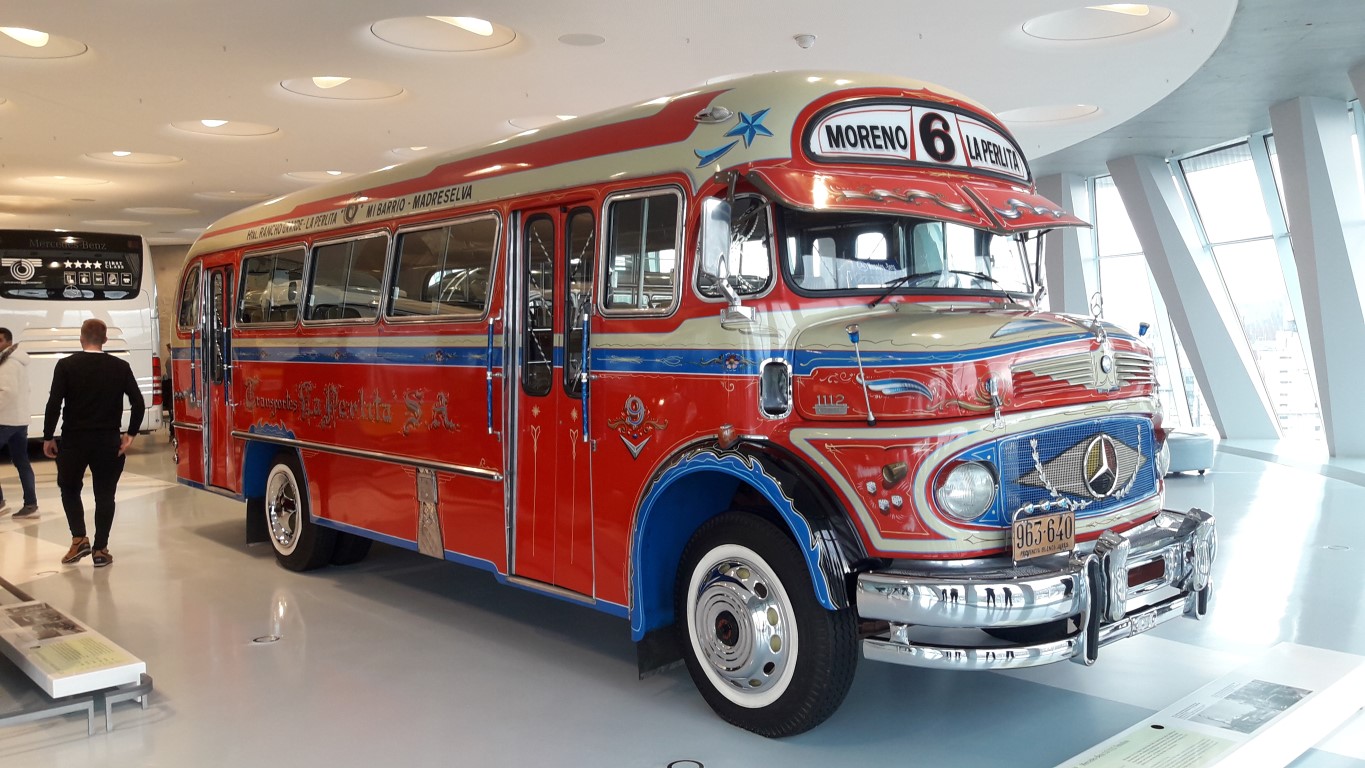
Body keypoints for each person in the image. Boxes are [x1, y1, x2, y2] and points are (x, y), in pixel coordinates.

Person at [43, 319, 145, 567]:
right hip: (107, 441)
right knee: (105, 495)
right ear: (105, 340)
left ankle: (79, 539)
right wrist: (130, 434)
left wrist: (48, 436)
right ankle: (101, 550)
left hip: (74, 441)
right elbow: (139, 403)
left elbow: (54, 403)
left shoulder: (66, 365)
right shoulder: (120, 366)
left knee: (69, 489)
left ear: (81, 338)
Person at [0, 327, 39, 518]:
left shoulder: (8, 363)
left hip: (5, 420)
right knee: (22, 461)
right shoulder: (19, 362)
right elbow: (26, 389)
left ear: (8, 342)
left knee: (22, 461)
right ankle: (31, 504)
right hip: (20, 420)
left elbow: (7, 392)